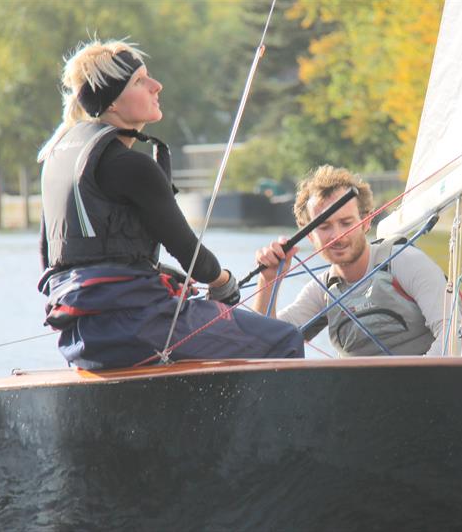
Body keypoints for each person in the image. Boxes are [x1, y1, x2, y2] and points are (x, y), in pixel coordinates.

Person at [37, 39, 303, 369]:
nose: (156, 85)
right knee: (284, 339)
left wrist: (164, 276)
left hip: (80, 339)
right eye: (139, 81)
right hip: (139, 329)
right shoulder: (131, 166)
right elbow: (194, 259)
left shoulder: (55, 160)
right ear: (113, 104)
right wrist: (224, 284)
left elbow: (59, 260)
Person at [253, 165, 450, 357]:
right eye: (324, 226)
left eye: (346, 223)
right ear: (310, 236)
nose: (337, 235)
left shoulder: (406, 262)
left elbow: (452, 334)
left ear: (365, 223)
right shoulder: (320, 291)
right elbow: (266, 346)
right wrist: (268, 281)